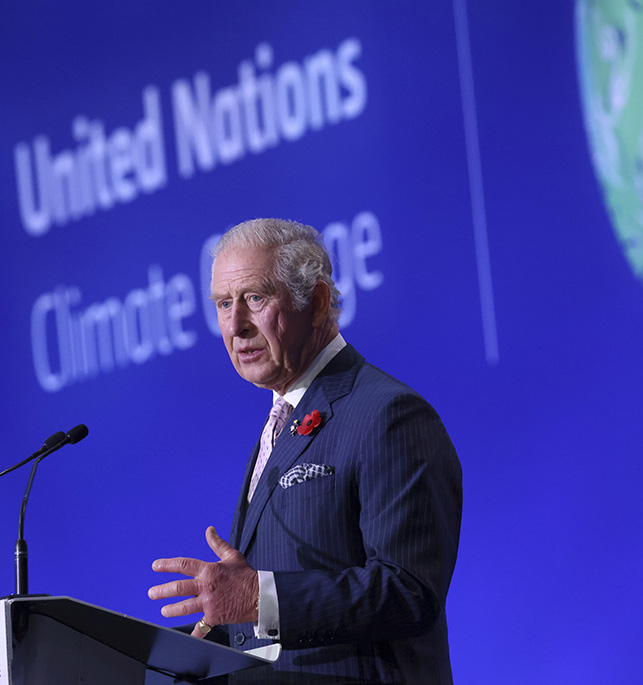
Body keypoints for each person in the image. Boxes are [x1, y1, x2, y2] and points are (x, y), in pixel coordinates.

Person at [149, 218, 462, 683]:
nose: (235, 325)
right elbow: (278, 621)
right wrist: (161, 656)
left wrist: (259, 598)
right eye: (222, 303)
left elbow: (408, 591)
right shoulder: (279, 425)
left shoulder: (388, 414)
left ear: (315, 303)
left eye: (255, 298)